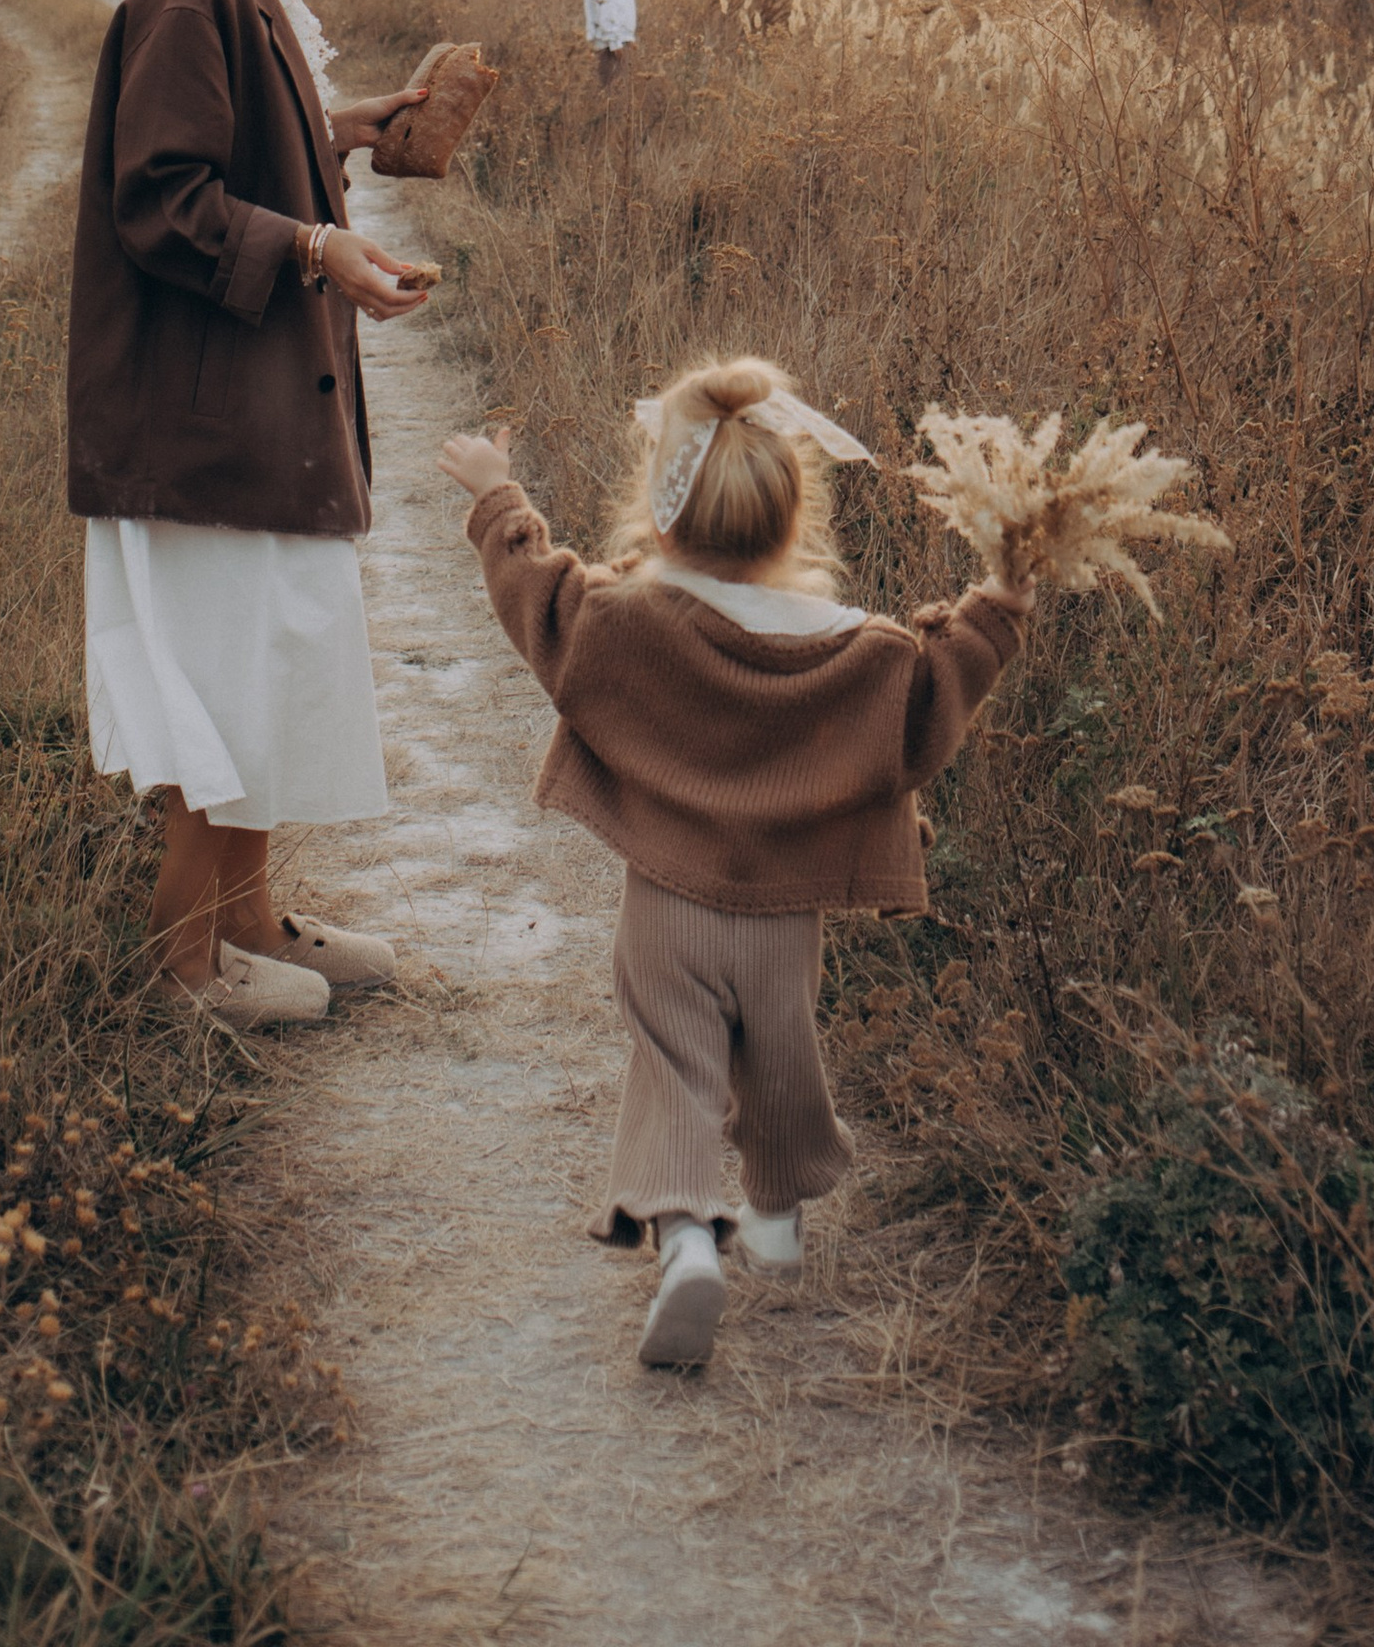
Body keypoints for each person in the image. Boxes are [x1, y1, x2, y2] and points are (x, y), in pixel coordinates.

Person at [438, 356, 1031, 1370]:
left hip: (665, 911)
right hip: (784, 920)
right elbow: (941, 695)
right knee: (780, 1056)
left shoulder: (624, 620)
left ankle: (683, 1244)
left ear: (661, 516)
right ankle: (773, 1225)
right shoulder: (865, 651)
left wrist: (500, 496)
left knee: (674, 1067)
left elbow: (539, 602)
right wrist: (1002, 595)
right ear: (792, 518)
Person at [67, 0, 438, 1029]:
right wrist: (317, 247)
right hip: (195, 410)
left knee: (272, 657)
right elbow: (161, 199)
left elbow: (242, 135)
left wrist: (346, 128)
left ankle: (252, 923)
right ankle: (186, 969)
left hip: (255, 395)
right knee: (226, 673)